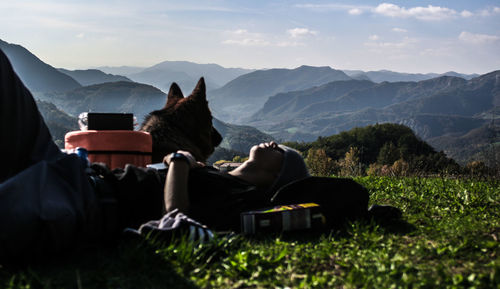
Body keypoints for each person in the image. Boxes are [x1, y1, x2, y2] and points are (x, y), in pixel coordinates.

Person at [0, 48, 368, 264]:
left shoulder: (240, 198)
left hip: (81, 201)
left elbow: (179, 222)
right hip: (70, 171)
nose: (275, 145)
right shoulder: (219, 175)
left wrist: (177, 162)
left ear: (276, 179)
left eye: (283, 155)